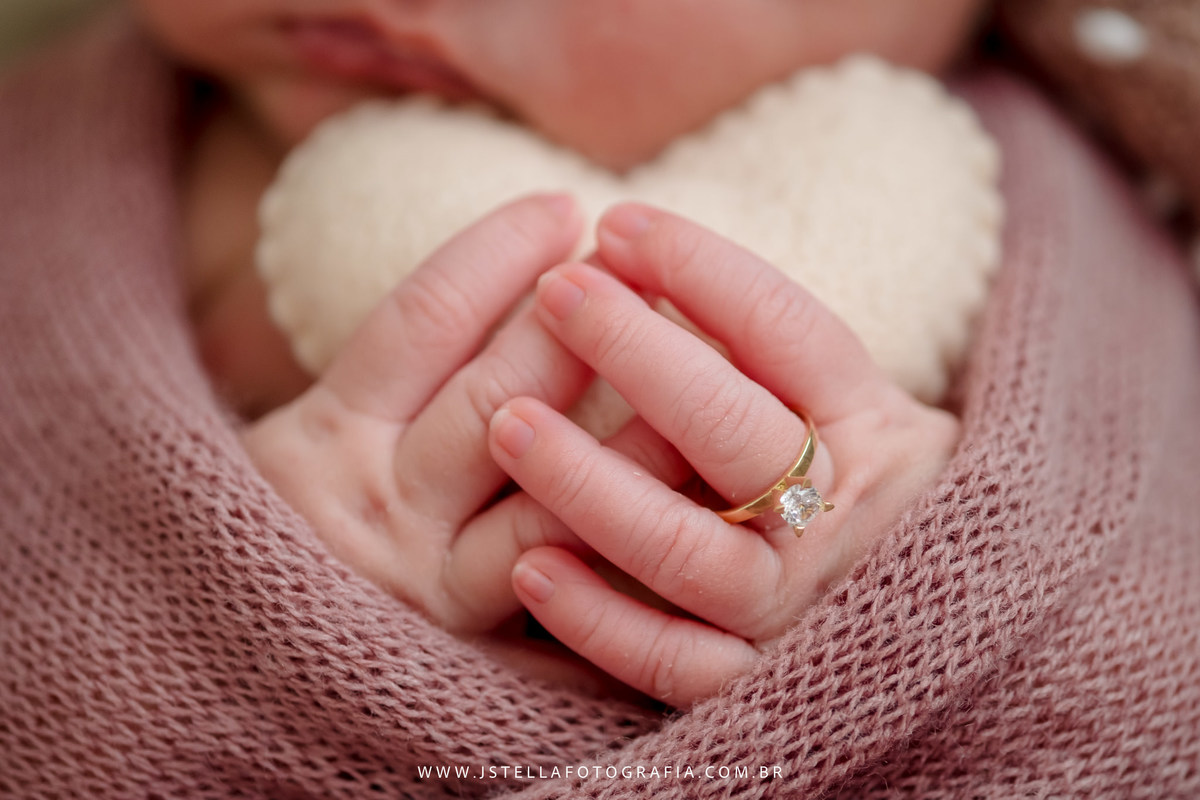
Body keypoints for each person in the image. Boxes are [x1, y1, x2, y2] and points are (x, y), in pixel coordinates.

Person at [2, 1, 1197, 797]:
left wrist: (928, 623)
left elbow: (1149, 718)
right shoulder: (34, 181)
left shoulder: (1117, 232)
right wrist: (242, 634)